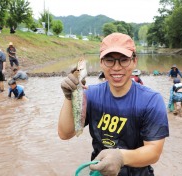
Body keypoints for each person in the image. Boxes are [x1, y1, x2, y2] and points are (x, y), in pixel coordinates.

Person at [59, 33, 169, 176]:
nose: (116, 67)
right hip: (100, 172)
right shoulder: (90, 95)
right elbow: (65, 133)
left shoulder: (151, 101)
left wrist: (121, 157)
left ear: (134, 61)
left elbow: (154, 152)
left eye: (124, 60)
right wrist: (70, 97)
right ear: (101, 62)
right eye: (109, 60)